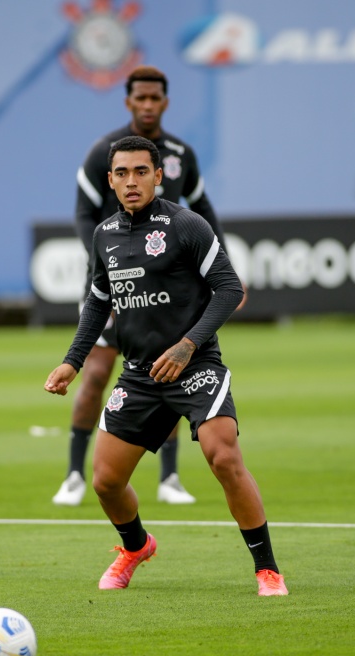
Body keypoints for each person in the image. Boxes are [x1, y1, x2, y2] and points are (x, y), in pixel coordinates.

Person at [44, 135, 287, 596]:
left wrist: (188, 345)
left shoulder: (187, 225)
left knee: (224, 457)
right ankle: (135, 547)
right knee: (106, 482)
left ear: (158, 176)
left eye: (141, 172)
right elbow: (98, 303)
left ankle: (267, 570)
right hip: (139, 373)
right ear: (110, 180)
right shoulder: (104, 235)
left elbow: (230, 290)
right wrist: (72, 362)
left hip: (195, 366)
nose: (131, 181)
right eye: (121, 173)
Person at [53, 65, 226, 507]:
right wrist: (108, 263)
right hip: (115, 277)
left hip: (164, 279)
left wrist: (219, 268)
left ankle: (168, 477)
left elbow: (201, 205)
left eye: (155, 99)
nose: (148, 105)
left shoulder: (180, 154)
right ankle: (74, 472)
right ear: (128, 101)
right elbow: (83, 214)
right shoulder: (103, 153)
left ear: (165, 102)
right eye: (140, 98)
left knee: (163, 365)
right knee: (95, 373)